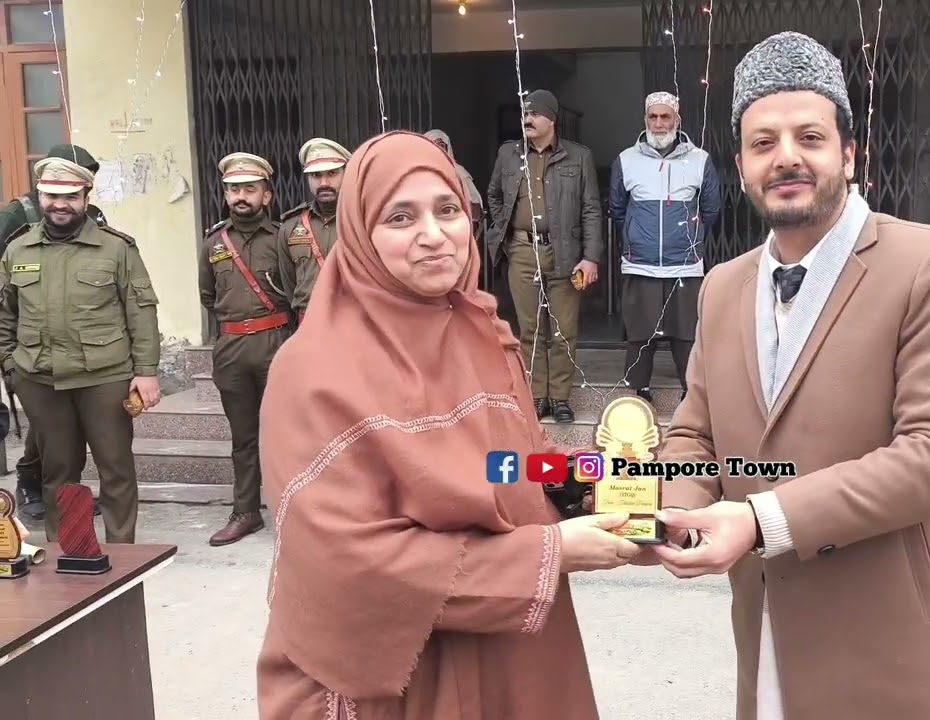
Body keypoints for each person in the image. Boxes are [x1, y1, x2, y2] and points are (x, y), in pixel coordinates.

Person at [645, 32, 930, 720]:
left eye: (809, 136)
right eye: (762, 142)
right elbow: (694, 431)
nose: (787, 158)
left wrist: (758, 519)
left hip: (895, 653)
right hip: (770, 642)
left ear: (848, 152)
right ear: (743, 167)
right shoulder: (722, 286)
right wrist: (678, 514)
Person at [256, 130, 639, 719]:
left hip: (512, 652)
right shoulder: (313, 371)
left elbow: (509, 461)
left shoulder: (485, 333)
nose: (434, 237)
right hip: (402, 671)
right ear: (359, 234)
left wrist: (591, 479)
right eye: (400, 217)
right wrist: (548, 554)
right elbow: (342, 556)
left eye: (448, 210)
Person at [0, 157, 162, 544]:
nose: (60, 204)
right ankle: (65, 551)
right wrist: (11, 366)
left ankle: (122, 553)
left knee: (116, 468)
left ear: (86, 196)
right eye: (52, 195)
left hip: (105, 378)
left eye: (70, 196)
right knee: (57, 471)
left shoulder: (116, 248)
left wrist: (147, 371)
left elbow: (140, 311)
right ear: (39, 196)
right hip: (41, 380)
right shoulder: (18, 250)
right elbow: (5, 315)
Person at [0, 143, 108, 523]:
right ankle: (30, 483)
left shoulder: (88, 214)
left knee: (68, 427)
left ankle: (67, 496)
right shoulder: (18, 214)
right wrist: (9, 354)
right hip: (30, 339)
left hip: (81, 343)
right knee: (43, 426)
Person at [485, 89, 603, 423]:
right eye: (525, 113)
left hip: (565, 252)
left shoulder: (578, 157)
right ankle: (537, 396)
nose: (527, 119)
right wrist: (507, 236)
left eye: (535, 113)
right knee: (530, 328)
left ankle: (560, 397)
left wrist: (591, 256)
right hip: (522, 251)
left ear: (552, 119)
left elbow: (592, 210)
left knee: (563, 329)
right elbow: (494, 195)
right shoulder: (509, 154)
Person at [198, 152, 290, 547]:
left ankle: (293, 511)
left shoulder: (283, 237)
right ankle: (246, 511)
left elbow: (294, 289)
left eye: (249, 189)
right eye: (233, 189)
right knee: (244, 437)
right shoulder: (214, 242)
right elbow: (207, 295)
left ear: (266, 195)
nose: (240, 196)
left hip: (276, 345)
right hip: (232, 347)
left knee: (286, 432)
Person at [609, 91, 721, 401]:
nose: (659, 124)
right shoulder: (626, 160)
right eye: (653, 117)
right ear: (645, 120)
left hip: (684, 264)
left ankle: (692, 393)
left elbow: (711, 209)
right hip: (640, 262)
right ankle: (639, 392)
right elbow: (618, 209)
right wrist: (637, 236)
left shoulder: (699, 160)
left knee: (686, 333)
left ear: (677, 120)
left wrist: (688, 237)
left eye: (665, 117)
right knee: (640, 332)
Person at [276, 138, 350, 323]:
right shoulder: (290, 227)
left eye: (332, 173)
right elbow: (288, 283)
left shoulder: (363, 220)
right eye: (316, 175)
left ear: (347, 173)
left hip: (354, 323)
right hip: (308, 324)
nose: (324, 182)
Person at [425, 129, 485, 239]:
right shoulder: (416, 176)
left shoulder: (459, 173)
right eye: (433, 146)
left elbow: (475, 209)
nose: (438, 151)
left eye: (441, 146)